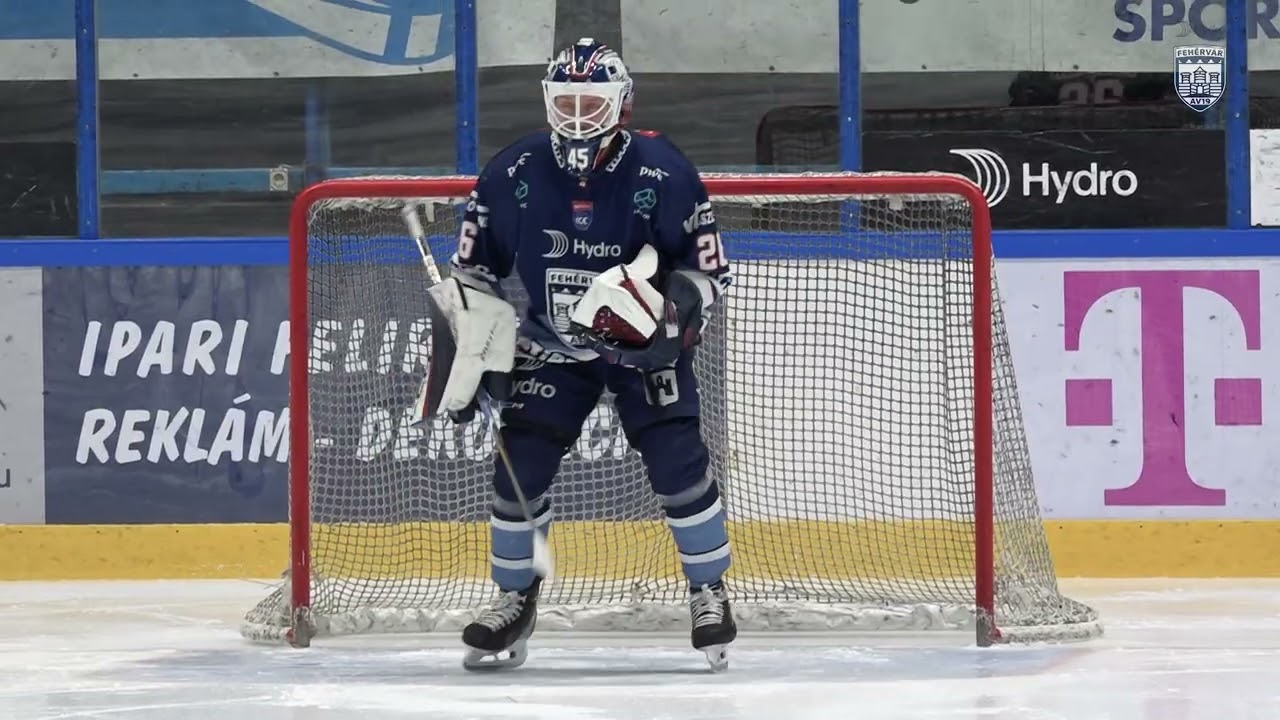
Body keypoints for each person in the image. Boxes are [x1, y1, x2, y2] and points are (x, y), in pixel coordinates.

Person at [420, 38, 735, 671]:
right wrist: (470, 349)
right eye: (566, 102)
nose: (578, 115)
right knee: (517, 469)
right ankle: (514, 598)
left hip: (641, 352)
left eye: (592, 102)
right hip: (553, 347)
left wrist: (672, 320)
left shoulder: (664, 172)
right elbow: (473, 275)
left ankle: (709, 589)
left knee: (677, 464)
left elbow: (708, 273)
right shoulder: (513, 172)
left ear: (622, 103)